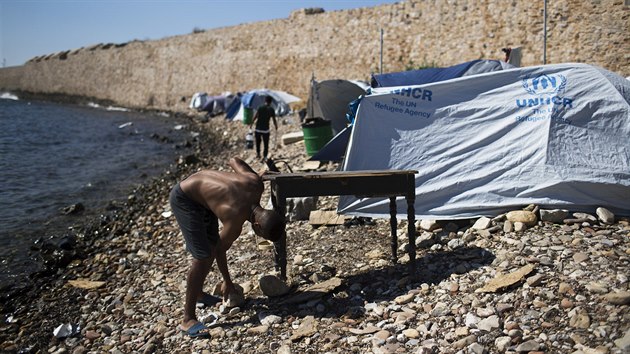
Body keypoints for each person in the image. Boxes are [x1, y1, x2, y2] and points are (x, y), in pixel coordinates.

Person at [169, 156, 285, 338]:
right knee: (203, 257)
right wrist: (227, 282)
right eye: (260, 235)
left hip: (202, 193)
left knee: (208, 247)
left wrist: (253, 174)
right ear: (257, 227)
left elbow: (233, 160)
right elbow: (218, 249)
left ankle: (198, 293)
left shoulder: (255, 183)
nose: (258, 237)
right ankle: (187, 319)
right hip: (185, 199)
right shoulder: (234, 222)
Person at [250, 95, 278, 161]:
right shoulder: (271, 109)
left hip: (258, 129)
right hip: (266, 130)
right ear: (270, 102)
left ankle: (258, 154)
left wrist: (251, 124)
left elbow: (255, 116)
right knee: (266, 144)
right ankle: (265, 156)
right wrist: (276, 126)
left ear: (265, 101)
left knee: (258, 142)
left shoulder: (260, 107)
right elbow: (274, 119)